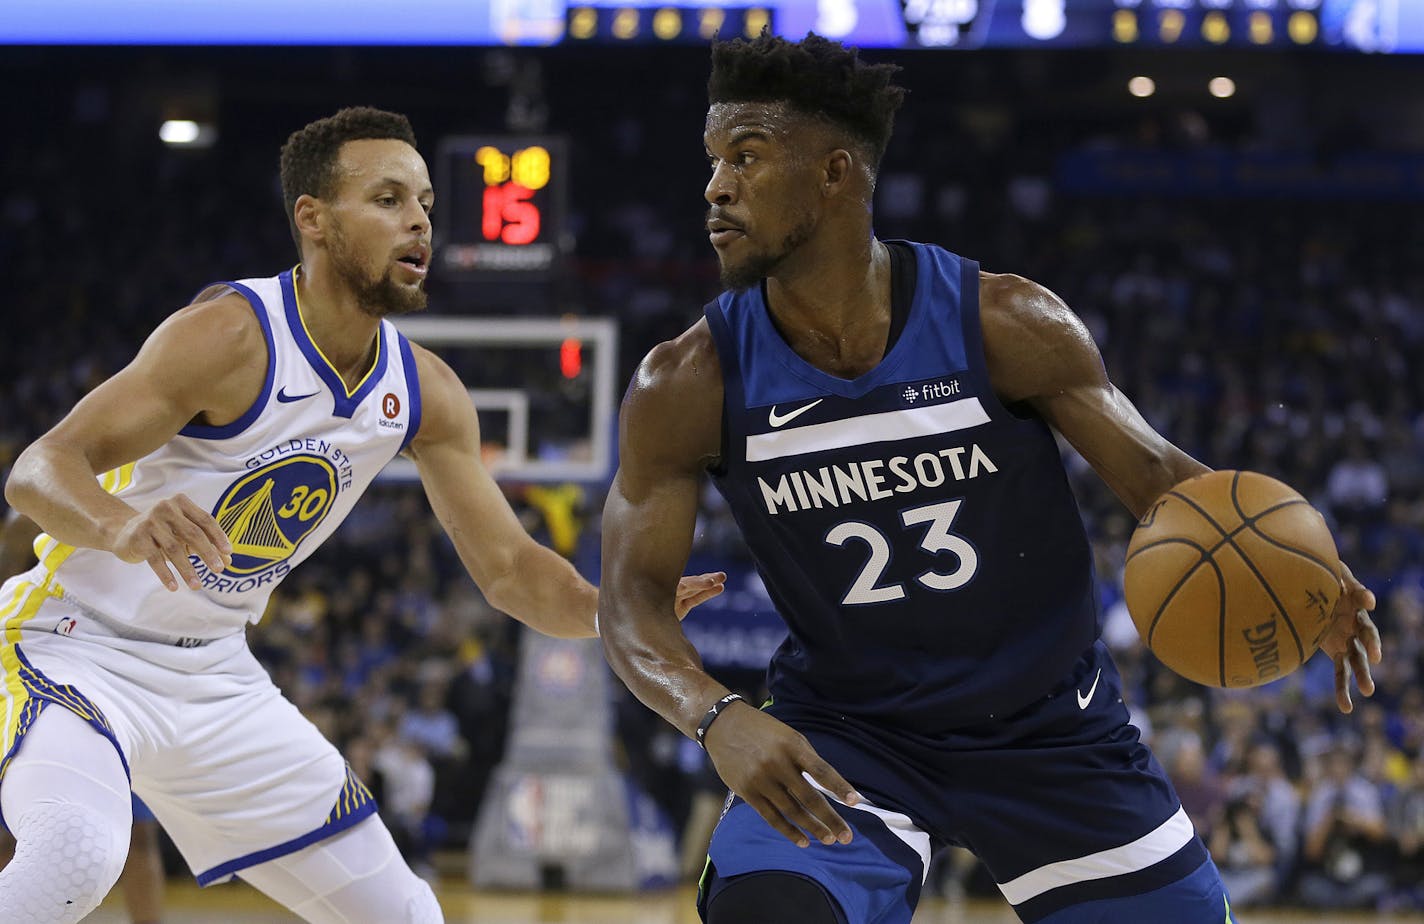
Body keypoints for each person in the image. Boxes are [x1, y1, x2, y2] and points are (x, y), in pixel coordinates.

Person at [596, 33, 1381, 924]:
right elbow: (629, 602)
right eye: (712, 161)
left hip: (1049, 727)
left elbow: (1163, 482)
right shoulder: (688, 382)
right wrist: (716, 716)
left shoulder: (1005, 322)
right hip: (852, 733)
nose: (715, 187)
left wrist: (1300, 574)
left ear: (835, 174)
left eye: (745, 156)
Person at [0, 106, 724, 924]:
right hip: (71, 649)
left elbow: (513, 571)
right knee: (75, 856)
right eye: (386, 199)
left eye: (423, 203)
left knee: (409, 916)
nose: (418, 220)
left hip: (213, 675)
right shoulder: (228, 336)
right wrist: (116, 523)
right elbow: (38, 468)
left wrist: (614, 611)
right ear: (313, 219)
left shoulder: (427, 393)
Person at [0, 512, 167, 924]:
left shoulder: (145, 485)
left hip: (116, 674)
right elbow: (19, 532)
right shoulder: (51, 485)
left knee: (135, 838)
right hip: (40, 662)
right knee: (21, 836)